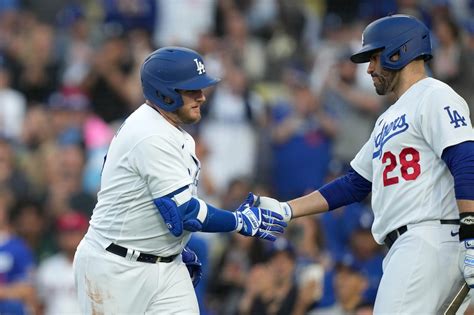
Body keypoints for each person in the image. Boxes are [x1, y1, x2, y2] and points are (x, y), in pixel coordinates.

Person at [249, 14, 474, 314]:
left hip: (429, 238)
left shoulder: (435, 95)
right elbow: (354, 183)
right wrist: (288, 209)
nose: (369, 68)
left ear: (399, 52)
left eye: (375, 57)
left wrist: (471, 234)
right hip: (409, 244)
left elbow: (465, 158)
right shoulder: (389, 116)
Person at [72, 46, 286, 314]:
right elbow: (186, 213)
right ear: (165, 93)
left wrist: (170, 247)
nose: (202, 97)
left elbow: (169, 212)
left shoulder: (171, 130)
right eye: (192, 90)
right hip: (115, 266)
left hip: (165, 266)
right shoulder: (150, 135)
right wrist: (240, 221)